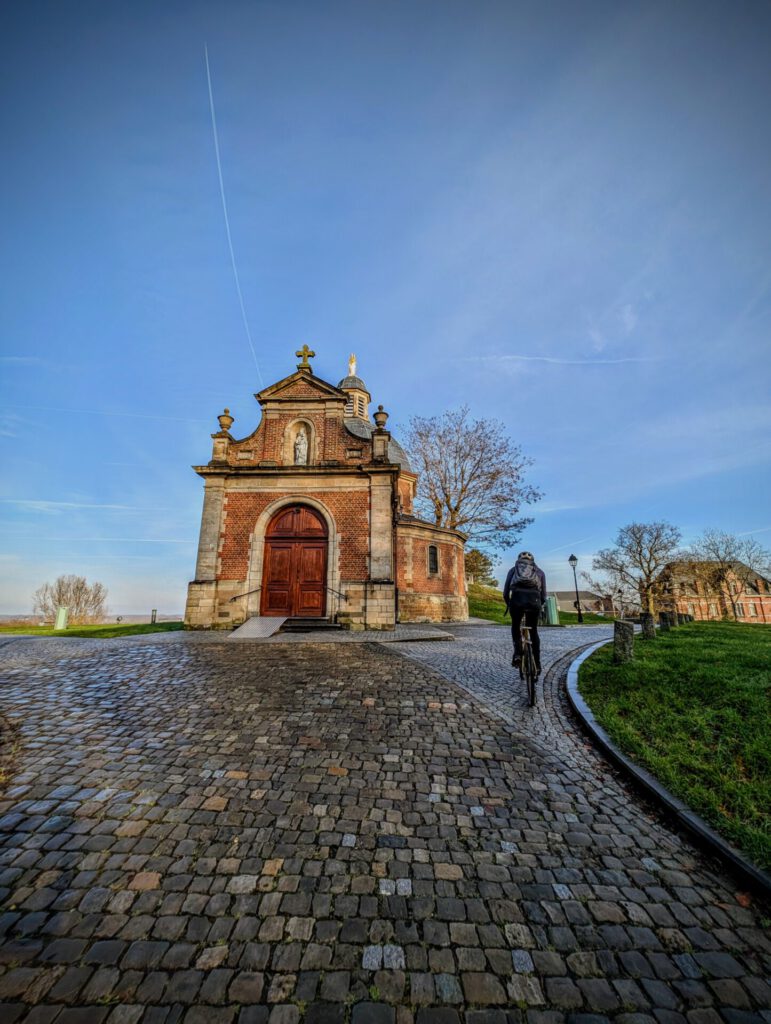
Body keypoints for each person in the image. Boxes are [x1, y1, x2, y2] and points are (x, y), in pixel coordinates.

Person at [503, 551, 547, 674]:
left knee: (515, 626)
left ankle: (517, 654)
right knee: (533, 631)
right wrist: (539, 604)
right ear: (533, 560)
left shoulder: (513, 570)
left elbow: (505, 592)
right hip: (534, 601)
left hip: (517, 601)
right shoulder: (539, 571)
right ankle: (537, 664)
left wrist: (509, 603)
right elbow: (543, 594)